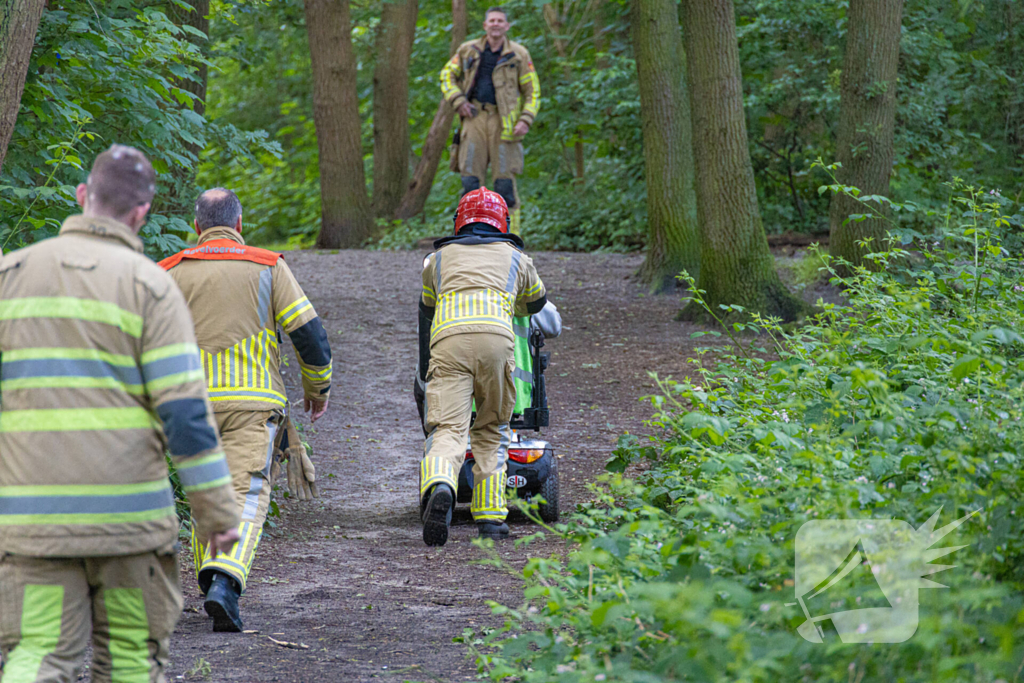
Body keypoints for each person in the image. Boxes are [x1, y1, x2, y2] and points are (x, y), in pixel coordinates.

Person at [0, 145, 239, 682]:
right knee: (129, 661)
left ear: (82, 195)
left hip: (35, 526)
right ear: (141, 213)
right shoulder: (151, 287)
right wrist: (217, 513)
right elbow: (185, 416)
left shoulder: (11, 276)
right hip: (130, 530)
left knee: (37, 656)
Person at [159, 188, 332, 632]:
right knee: (246, 491)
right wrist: (317, 388)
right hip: (252, 403)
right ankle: (224, 578)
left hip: (187, 405)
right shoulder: (268, 266)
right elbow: (309, 335)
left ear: (196, 227)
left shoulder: (168, 272)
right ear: (239, 224)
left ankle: (214, 576)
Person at [418, 187, 547, 546]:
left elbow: (428, 305)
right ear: (502, 222)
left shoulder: (438, 258)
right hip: (496, 342)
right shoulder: (517, 258)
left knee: (448, 427)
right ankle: (491, 520)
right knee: (492, 427)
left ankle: (441, 484)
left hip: (449, 341)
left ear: (459, 222)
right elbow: (536, 303)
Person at [440, 6, 540, 235]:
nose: (496, 24)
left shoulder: (519, 54)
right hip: (473, 119)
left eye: (500, 21)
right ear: (485, 25)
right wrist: (458, 100)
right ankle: (467, 235)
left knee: (505, 186)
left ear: (507, 26)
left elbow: (533, 91)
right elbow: (446, 75)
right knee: (470, 183)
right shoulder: (468, 50)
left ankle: (510, 237)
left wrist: (526, 119)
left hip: (505, 125)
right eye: (492, 21)